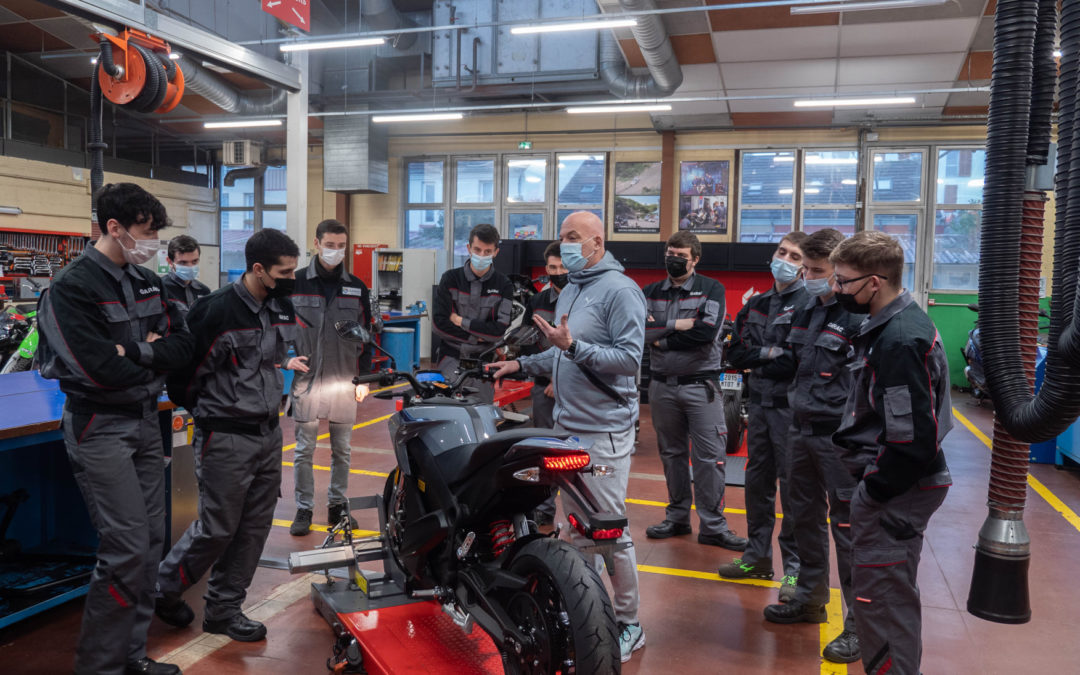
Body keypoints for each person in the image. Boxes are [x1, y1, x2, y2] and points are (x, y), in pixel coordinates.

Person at [36, 183, 193, 675]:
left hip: (147, 422)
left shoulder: (148, 281)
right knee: (125, 545)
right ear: (114, 228)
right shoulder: (71, 288)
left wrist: (140, 351)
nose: (152, 242)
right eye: (147, 232)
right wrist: (148, 357)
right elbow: (98, 369)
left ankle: (131, 657)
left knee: (150, 543)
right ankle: (99, 668)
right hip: (99, 426)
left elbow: (183, 345)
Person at [488, 211, 647, 664]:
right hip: (568, 427)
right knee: (578, 532)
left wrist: (573, 347)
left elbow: (629, 361)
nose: (566, 245)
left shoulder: (621, 291)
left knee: (608, 531)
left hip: (603, 433)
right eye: (562, 237)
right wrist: (519, 366)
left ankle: (629, 622)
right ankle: (589, 614)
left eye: (574, 237)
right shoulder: (573, 288)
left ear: (598, 241)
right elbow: (560, 357)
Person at [154, 229, 309, 643]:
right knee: (217, 527)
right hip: (225, 436)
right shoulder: (214, 311)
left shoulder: (279, 305)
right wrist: (213, 414)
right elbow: (184, 377)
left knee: (255, 526)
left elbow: (272, 359)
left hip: (268, 433)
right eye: (285, 271)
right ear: (258, 269)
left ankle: (224, 610)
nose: (292, 278)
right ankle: (162, 590)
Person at [829, 231, 952, 675]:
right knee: (888, 598)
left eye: (843, 282)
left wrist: (871, 493)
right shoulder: (895, 324)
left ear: (875, 282)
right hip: (895, 485)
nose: (836, 291)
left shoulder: (897, 341)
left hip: (896, 490)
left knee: (880, 603)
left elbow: (910, 443)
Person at [760, 229, 864, 665]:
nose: (812, 277)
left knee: (848, 528)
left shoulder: (858, 315)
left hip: (838, 438)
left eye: (820, 272)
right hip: (799, 429)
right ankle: (809, 599)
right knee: (802, 518)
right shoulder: (803, 308)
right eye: (808, 269)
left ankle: (859, 624)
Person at [718, 231, 808, 603]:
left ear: (805, 268)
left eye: (794, 256)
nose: (784, 259)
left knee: (794, 492)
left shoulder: (809, 306)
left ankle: (795, 571)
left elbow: (795, 359)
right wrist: (770, 353)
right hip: (759, 407)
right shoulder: (755, 304)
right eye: (781, 251)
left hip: (792, 412)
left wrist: (763, 354)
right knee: (757, 486)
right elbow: (735, 354)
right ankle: (757, 557)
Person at [643, 231, 747, 552]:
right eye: (670, 252)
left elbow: (704, 333)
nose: (673, 259)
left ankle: (713, 527)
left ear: (695, 259)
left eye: (681, 254)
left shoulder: (711, 289)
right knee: (672, 456)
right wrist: (674, 327)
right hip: (661, 387)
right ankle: (676, 518)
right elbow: (641, 331)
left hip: (700, 387)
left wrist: (661, 337)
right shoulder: (650, 292)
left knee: (709, 459)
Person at [288, 219, 373, 535]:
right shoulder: (295, 283)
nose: (336, 251)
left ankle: (337, 507)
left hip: (343, 381)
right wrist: (286, 359)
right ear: (316, 242)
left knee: (342, 450)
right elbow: (279, 329)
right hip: (308, 381)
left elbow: (367, 334)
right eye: (330, 245)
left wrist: (363, 377)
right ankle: (304, 508)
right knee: (303, 451)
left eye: (341, 246)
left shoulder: (357, 287)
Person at [432, 223, 514, 402]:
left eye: (487, 251)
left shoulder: (504, 285)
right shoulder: (450, 279)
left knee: (481, 414)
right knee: (447, 409)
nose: (482, 255)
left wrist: (460, 321)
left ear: (496, 252)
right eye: (477, 250)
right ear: (469, 248)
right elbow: (439, 324)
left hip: (484, 362)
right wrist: (478, 337)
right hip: (450, 359)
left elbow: (499, 330)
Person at [520, 241, 568, 526]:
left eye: (563, 266)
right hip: (543, 388)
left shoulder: (582, 300)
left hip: (575, 388)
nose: (558, 271)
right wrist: (548, 378)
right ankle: (544, 508)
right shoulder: (537, 301)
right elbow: (528, 344)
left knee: (575, 450)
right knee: (545, 449)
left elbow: (584, 344)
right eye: (552, 267)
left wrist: (559, 379)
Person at [161, 234, 210, 318]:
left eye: (194, 261)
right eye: (183, 262)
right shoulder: (160, 288)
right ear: (170, 262)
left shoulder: (204, 291)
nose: (190, 266)